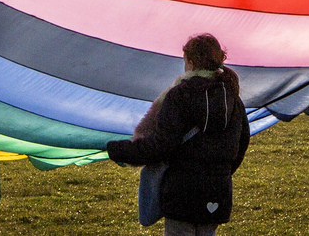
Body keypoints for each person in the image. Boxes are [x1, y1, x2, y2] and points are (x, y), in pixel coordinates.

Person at [107, 33, 251, 234]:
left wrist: (118, 150)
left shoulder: (179, 95)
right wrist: (219, 173)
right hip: (218, 192)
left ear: (190, 62)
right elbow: (240, 145)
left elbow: (161, 145)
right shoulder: (233, 98)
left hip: (182, 194)